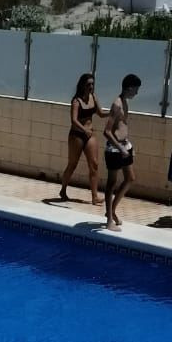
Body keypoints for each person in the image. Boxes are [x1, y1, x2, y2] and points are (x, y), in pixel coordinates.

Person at [58, 72, 105, 206]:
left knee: (94, 164)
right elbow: (73, 120)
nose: (91, 87)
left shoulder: (93, 97)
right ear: (83, 85)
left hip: (90, 135)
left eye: (93, 84)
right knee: (72, 164)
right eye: (89, 84)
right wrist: (84, 129)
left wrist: (112, 113)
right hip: (76, 135)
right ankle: (63, 190)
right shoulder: (76, 101)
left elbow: (100, 113)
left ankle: (95, 196)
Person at [103, 73, 141, 230]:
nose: (137, 93)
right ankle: (109, 221)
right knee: (111, 184)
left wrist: (128, 147)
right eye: (136, 90)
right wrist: (120, 148)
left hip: (125, 146)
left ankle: (111, 211)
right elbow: (106, 131)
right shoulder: (117, 104)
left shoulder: (125, 102)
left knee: (130, 178)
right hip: (114, 149)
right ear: (129, 88)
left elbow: (122, 126)